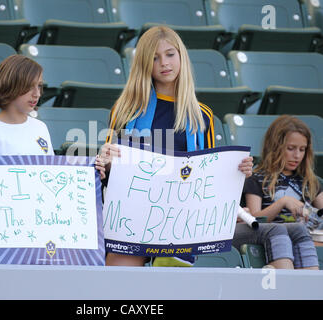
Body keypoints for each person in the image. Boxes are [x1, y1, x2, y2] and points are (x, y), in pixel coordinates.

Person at [96, 26, 253, 267]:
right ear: (144, 64)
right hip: (133, 215)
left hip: (181, 220)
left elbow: (207, 176)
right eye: (155, 58)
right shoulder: (126, 109)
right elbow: (109, 175)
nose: (164, 63)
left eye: (170, 54)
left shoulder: (203, 115)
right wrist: (106, 160)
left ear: (181, 56)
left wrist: (236, 171)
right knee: (117, 289)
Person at [0, 54, 54, 262]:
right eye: (29, 87)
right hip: (1, 232)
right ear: (10, 86)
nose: (36, 94)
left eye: (39, 86)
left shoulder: (41, 128)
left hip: (38, 228)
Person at [239, 115, 321, 269]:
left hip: (305, 236)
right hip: (274, 236)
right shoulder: (257, 178)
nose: (297, 155)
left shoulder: (310, 181)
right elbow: (255, 219)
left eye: (302, 150)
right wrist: (283, 202)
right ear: (275, 146)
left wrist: (313, 216)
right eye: (290, 148)